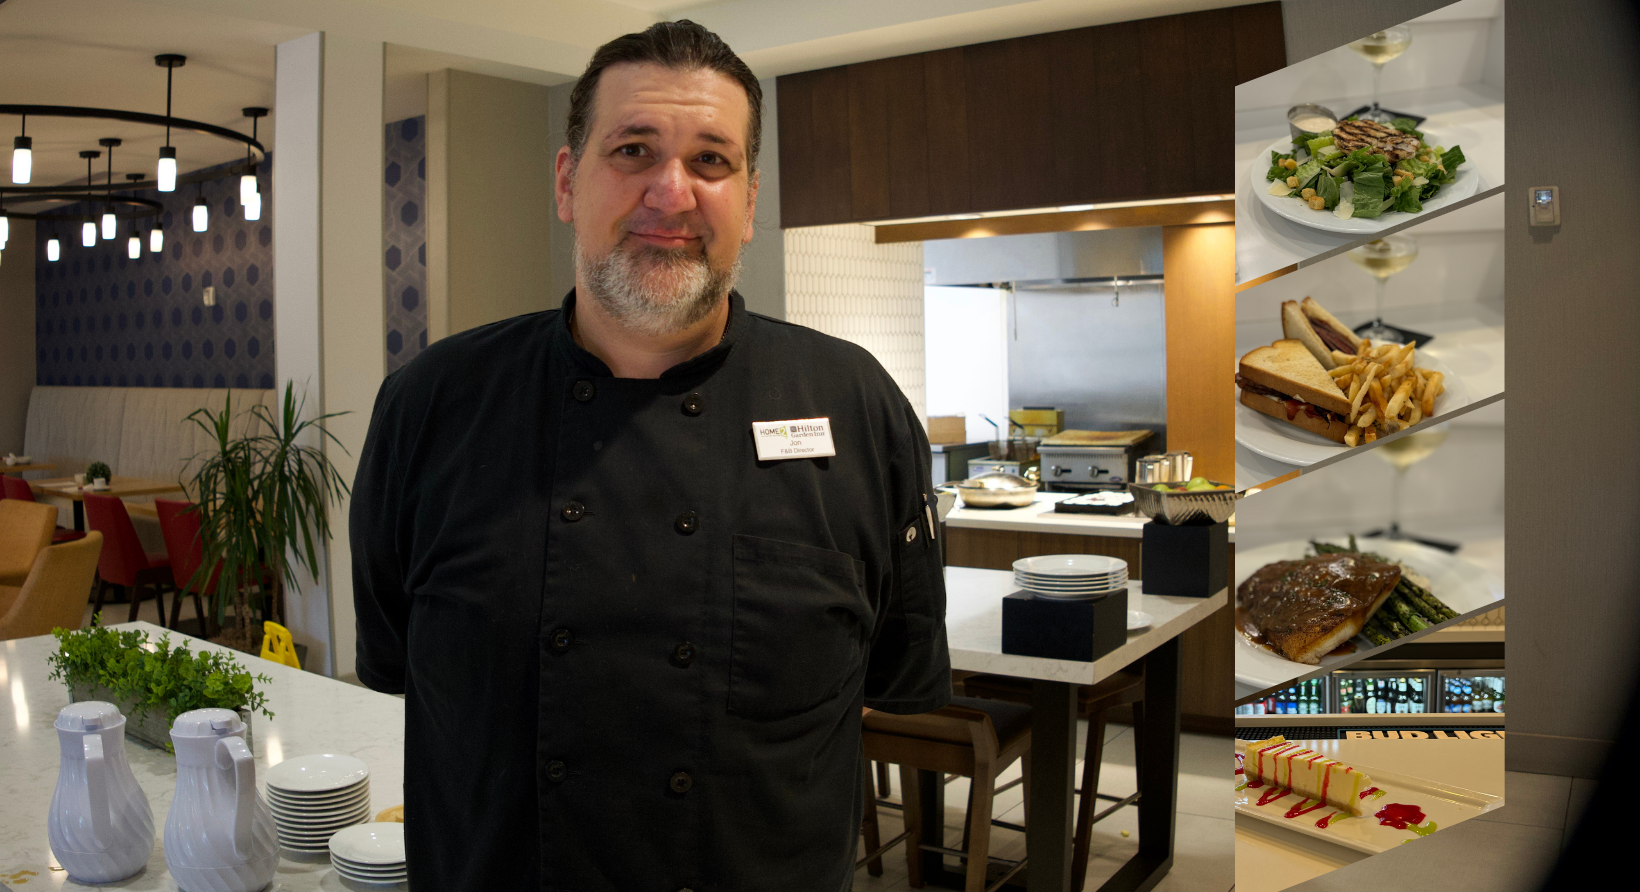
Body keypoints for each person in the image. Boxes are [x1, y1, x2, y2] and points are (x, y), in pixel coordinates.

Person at [350, 20, 951, 892]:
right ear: (567, 181)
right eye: (633, 150)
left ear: (749, 198)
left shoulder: (857, 407)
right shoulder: (432, 407)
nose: (671, 193)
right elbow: (399, 664)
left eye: (712, 160)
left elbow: (887, 677)